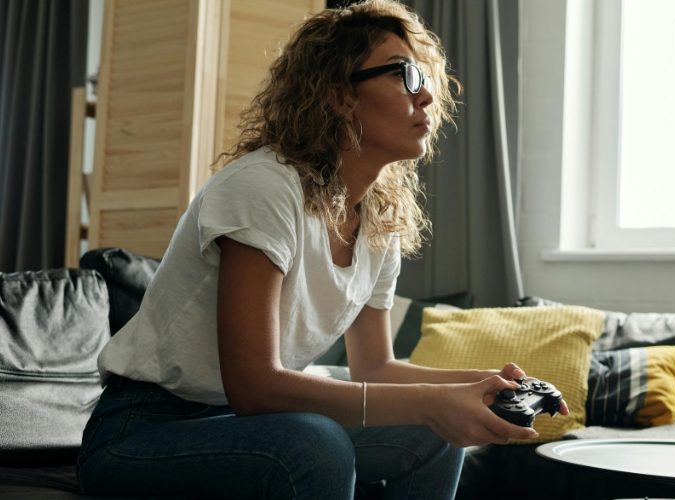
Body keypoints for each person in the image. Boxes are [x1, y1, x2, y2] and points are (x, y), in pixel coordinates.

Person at [76, 1, 568, 499]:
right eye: (406, 75)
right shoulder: (263, 187)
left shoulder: (378, 221)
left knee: (433, 438)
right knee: (316, 443)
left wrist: (479, 383)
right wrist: (429, 400)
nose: (427, 95)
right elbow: (254, 386)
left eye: (427, 78)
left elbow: (374, 368)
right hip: (145, 429)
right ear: (340, 97)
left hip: (259, 423)